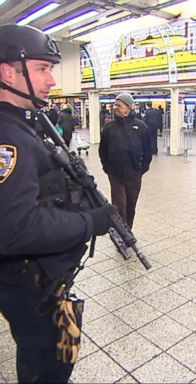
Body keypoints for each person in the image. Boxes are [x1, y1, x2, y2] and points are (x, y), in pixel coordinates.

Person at [0, 24, 116, 383]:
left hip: (46, 277)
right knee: (47, 364)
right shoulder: (8, 138)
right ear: (6, 71)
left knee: (54, 357)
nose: (52, 79)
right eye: (41, 68)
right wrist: (90, 223)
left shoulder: (24, 124)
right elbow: (12, 229)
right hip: (29, 283)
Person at [99, 93, 152, 229]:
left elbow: (148, 150)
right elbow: (102, 150)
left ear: (128, 108)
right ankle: (121, 233)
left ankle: (128, 230)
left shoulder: (141, 127)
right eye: (115, 105)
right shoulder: (109, 128)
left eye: (119, 105)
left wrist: (142, 168)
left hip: (134, 174)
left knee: (131, 206)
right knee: (119, 206)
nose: (115, 108)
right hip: (116, 175)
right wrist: (107, 168)